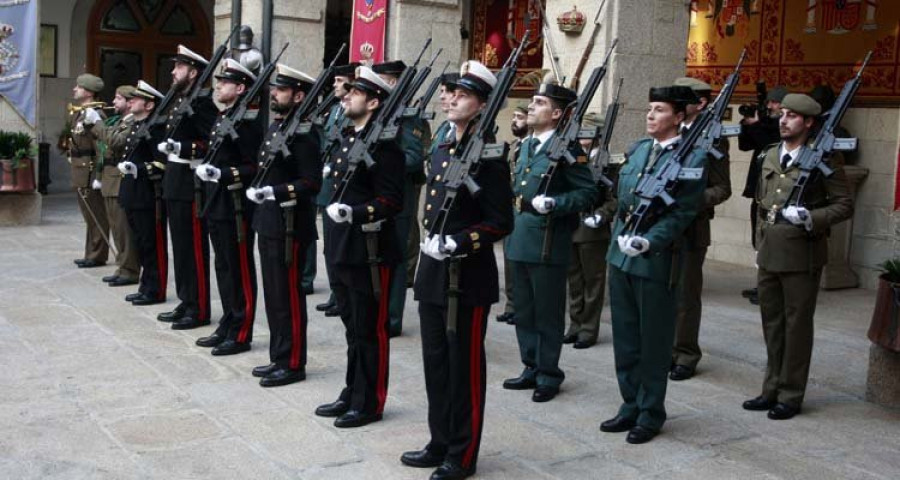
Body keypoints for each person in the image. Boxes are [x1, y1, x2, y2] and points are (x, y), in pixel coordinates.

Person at [400, 60, 513, 480]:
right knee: (435, 361)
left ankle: (462, 454)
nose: (450, 100)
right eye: (451, 93)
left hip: (467, 276)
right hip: (433, 270)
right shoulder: (445, 146)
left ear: (482, 105)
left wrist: (460, 242)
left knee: (464, 366)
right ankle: (439, 440)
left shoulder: (490, 156)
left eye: (463, 95)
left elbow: (501, 221)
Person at [600, 85, 707, 445]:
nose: (650, 115)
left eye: (659, 110)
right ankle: (629, 403)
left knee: (653, 340)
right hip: (621, 257)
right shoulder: (640, 150)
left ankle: (650, 411)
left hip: (656, 261)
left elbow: (684, 213)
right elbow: (623, 200)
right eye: (649, 108)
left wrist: (650, 240)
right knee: (626, 338)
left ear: (679, 117)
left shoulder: (693, 160)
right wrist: (620, 238)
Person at [742, 93, 853, 420]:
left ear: (808, 123)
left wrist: (811, 218)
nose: (783, 119)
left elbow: (844, 205)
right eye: (783, 114)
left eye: (792, 116)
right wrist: (761, 243)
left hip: (802, 254)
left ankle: (791, 394)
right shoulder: (769, 154)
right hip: (770, 251)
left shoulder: (826, 160)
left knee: (797, 327)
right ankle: (770, 388)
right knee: (771, 324)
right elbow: (763, 205)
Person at [315, 66, 405, 428]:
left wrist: (354, 212)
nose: (347, 95)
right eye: (348, 90)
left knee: (371, 329)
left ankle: (370, 401)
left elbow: (392, 200)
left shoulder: (386, 146)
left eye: (355, 92)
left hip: (370, 249)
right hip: (342, 246)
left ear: (374, 100)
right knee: (352, 326)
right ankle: (352, 390)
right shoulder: (347, 138)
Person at [502, 82, 596, 403]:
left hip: (547, 238)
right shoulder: (527, 145)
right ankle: (530, 366)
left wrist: (556, 203)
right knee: (524, 310)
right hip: (520, 235)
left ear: (556, 113)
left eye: (539, 102)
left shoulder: (568, 150)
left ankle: (548, 373)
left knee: (547, 312)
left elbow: (588, 193)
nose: (531, 106)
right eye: (532, 101)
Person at [245, 64, 322, 386]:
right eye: (275, 88)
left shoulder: (304, 134)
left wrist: (274, 192)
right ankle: (279, 355)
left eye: (281, 89)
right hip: (269, 221)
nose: (274, 93)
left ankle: (292, 362)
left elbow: (311, 182)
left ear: (299, 95)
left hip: (290, 225)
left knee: (288, 295)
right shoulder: (279, 127)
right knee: (274, 294)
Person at [193, 59, 264, 357]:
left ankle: (242, 329)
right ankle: (228, 320)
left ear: (241, 88)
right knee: (222, 265)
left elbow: (254, 167)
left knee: (239, 267)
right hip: (216, 201)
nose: (218, 85)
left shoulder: (247, 123)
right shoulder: (225, 118)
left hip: (236, 206)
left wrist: (223, 174)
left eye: (224, 82)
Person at [669, 77, 733, 381]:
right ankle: (663, 347)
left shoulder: (714, 139)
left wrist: (689, 200)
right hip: (662, 226)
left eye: (683, 99)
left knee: (685, 294)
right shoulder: (668, 132)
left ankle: (685, 353)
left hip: (692, 228)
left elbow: (722, 189)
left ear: (701, 103)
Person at [156, 46, 218, 330]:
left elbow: (212, 142)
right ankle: (186, 300)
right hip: (174, 181)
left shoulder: (203, 103)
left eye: (179, 67)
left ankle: (200, 308)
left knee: (194, 249)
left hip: (191, 185)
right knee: (180, 248)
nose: (173, 71)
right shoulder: (180, 99)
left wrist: (182, 147)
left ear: (193, 72)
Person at [372, 60, 431, 337]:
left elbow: (413, 158)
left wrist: (378, 163)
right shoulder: (380, 112)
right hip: (376, 195)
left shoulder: (408, 117)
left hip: (399, 197)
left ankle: (391, 318)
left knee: (394, 259)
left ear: (393, 83)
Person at [565, 112, 617, 350]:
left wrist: (602, 215)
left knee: (593, 283)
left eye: (585, 130)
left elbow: (616, 198)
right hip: (572, 226)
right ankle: (574, 325)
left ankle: (588, 329)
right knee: (574, 282)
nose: (580, 134)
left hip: (594, 232)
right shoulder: (573, 158)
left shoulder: (610, 163)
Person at [117, 80, 169, 306]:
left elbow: (161, 162)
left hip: (148, 194)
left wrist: (138, 168)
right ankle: (145, 285)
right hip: (132, 192)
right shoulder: (138, 126)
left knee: (152, 244)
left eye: (136, 99)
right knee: (140, 242)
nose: (131, 102)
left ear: (149, 105)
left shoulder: (155, 128)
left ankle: (155, 289)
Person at [314, 62, 360, 318]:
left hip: (344, 182)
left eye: (339, 81)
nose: (334, 86)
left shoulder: (354, 112)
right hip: (329, 181)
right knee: (329, 243)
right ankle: (335, 293)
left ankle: (341, 295)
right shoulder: (334, 110)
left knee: (340, 243)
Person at [84, 85, 140, 287]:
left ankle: (130, 270)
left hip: (119, 180)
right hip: (109, 179)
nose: (114, 102)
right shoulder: (119, 121)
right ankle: (122, 267)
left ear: (129, 102)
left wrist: (97, 123)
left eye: (118, 98)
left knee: (123, 229)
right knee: (116, 228)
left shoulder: (132, 122)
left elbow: (115, 142)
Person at [408, 71, 460, 288]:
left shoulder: (467, 132)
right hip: (436, 203)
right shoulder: (444, 128)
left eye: (446, 92)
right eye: (441, 92)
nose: (442, 97)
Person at [739, 85, 787, 305]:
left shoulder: (783, 127)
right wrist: (747, 125)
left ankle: (770, 287)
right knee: (758, 239)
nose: (770, 106)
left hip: (774, 193)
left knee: (770, 240)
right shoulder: (766, 124)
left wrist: (757, 125)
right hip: (759, 190)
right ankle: (762, 284)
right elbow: (745, 145)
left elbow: (769, 144)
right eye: (769, 102)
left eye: (774, 102)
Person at [68, 73, 110, 269]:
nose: (75, 89)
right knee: (88, 215)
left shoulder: (96, 115)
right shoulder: (81, 113)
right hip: (80, 169)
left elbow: (101, 148)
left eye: (78, 87)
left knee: (96, 215)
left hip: (90, 171)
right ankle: (90, 252)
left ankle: (97, 255)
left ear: (88, 91)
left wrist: (99, 176)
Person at [496, 102, 529, 325]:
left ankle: (522, 306)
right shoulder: (514, 146)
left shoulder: (532, 147)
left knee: (522, 264)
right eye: (514, 116)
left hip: (526, 211)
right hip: (510, 209)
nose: (515, 120)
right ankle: (511, 304)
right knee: (509, 262)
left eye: (520, 116)